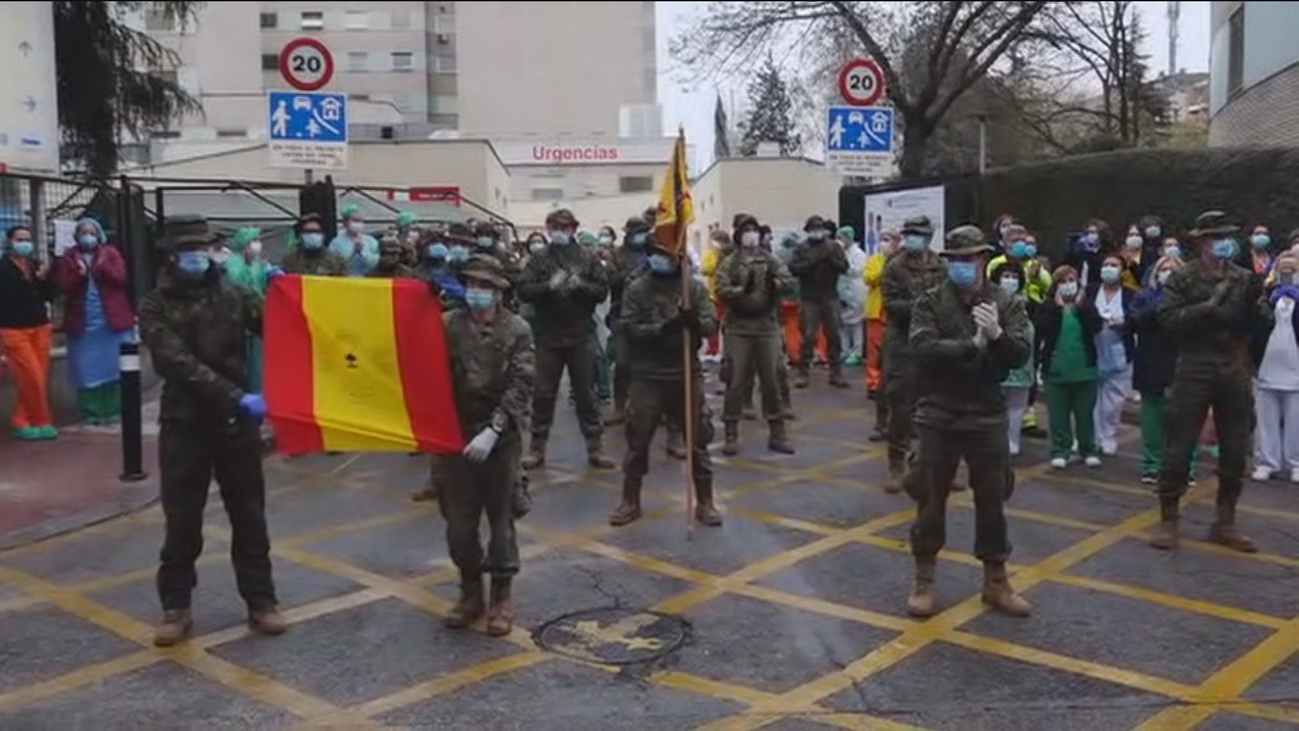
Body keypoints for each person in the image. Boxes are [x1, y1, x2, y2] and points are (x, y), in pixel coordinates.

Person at [138, 215, 283, 647]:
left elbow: (282, 328)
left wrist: (290, 296)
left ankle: (262, 602)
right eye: (188, 249)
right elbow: (175, 362)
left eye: (202, 247)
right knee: (182, 518)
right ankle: (176, 607)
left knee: (250, 516)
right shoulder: (154, 305)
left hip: (235, 425)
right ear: (171, 255)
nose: (197, 255)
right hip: (185, 423)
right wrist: (236, 396)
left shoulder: (236, 293)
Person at [905, 224, 1031, 618]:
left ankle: (996, 580)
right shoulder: (930, 301)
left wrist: (995, 335)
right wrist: (969, 346)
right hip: (939, 407)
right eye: (956, 259)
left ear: (982, 260)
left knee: (993, 497)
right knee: (929, 495)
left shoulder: (1004, 302)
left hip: (986, 409)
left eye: (970, 258)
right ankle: (924, 578)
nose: (963, 265)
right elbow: (922, 347)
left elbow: (1019, 353)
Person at [1153, 211, 1269, 552]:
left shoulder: (1244, 278)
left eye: (1226, 236)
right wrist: (1208, 306)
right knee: (1179, 443)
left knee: (1235, 445)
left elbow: (1262, 323)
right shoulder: (1183, 278)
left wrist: (1253, 300)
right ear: (1201, 241)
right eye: (1215, 236)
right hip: (1195, 361)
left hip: (1233, 362)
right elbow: (1169, 321)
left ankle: (1225, 520)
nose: (1222, 242)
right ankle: (1168, 519)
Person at [437, 255, 534, 636]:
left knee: (501, 522)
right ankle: (470, 593)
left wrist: (493, 430)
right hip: (454, 433)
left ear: (498, 291)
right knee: (459, 525)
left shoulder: (517, 329)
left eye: (484, 286)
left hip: (499, 435)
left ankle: (502, 597)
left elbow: (521, 384)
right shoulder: (448, 325)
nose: (476, 292)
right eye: (471, 284)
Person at [610, 242, 721, 527]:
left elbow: (711, 324)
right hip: (648, 374)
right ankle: (630, 500)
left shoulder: (692, 288)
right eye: (656, 253)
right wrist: (664, 328)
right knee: (638, 440)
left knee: (698, 441)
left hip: (685, 372)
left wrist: (693, 321)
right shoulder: (637, 288)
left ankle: (705, 501)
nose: (661, 259)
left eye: (667, 254)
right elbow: (629, 327)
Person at [517, 208, 614, 470]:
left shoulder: (587, 257)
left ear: (573, 229)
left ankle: (595, 447)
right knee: (543, 392)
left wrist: (579, 285)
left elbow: (602, 290)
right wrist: (548, 286)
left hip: (580, 333)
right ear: (548, 229)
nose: (559, 231)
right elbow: (523, 290)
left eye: (565, 227)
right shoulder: (539, 259)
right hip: (548, 335)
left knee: (585, 393)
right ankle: (537, 448)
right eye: (555, 227)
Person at [716, 215, 796, 455]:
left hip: (766, 326)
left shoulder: (770, 260)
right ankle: (731, 431)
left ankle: (778, 432)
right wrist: (742, 290)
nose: (751, 234)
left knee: (772, 378)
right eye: (746, 230)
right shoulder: (730, 262)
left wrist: (775, 285)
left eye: (754, 230)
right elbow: (721, 290)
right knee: (736, 380)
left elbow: (789, 281)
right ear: (739, 236)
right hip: (739, 327)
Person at [881, 215, 946, 492]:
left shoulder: (939, 265)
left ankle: (938, 464)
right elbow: (892, 304)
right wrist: (922, 307)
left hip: (934, 342)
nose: (912, 239)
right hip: (903, 343)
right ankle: (897, 463)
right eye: (909, 234)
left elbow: (950, 297)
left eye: (918, 234)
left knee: (939, 405)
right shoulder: (894, 266)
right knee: (902, 405)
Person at [56, 217, 135, 425]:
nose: (88, 238)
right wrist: (80, 275)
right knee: (86, 367)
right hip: (83, 322)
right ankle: (91, 412)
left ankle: (113, 409)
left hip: (110, 321)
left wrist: (103, 268)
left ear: (99, 235)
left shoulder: (110, 253)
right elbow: (64, 286)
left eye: (92, 233)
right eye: (84, 233)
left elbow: (121, 279)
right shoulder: (70, 257)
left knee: (113, 366)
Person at [1132, 255, 1198, 485]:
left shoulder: (1192, 298)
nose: (1167, 273)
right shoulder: (1144, 296)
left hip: (1183, 364)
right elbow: (1136, 322)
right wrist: (1158, 302)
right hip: (1151, 365)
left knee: (1185, 421)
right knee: (1152, 420)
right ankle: (1152, 465)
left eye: (1173, 270)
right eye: (1163, 269)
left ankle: (1185, 467)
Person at [1037, 265, 1102, 470]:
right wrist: (1056, 309)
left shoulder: (1086, 306)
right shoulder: (1048, 308)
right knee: (1058, 415)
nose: (1067, 285)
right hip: (1056, 371)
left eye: (1071, 280)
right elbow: (1042, 328)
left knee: (1085, 415)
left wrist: (1083, 307)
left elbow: (1096, 326)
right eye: (1063, 282)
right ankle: (1060, 450)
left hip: (1085, 370)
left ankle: (1088, 449)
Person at [0, 226, 56, 440]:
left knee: (37, 376)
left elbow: (49, 295)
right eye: (19, 239)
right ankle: (43, 419)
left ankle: (22, 419)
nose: (24, 243)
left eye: (27, 239)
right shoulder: (3, 268)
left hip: (40, 326)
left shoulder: (34, 266)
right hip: (14, 329)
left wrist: (44, 279)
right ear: (9, 242)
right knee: (31, 375)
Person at [1253, 252, 1299, 483]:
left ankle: (1296, 463)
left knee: (1295, 420)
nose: (1288, 272)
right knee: (1266, 418)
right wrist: (1269, 300)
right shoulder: (1268, 295)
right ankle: (1266, 462)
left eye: (1293, 269)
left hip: (1295, 367)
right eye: (1284, 268)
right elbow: (1257, 326)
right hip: (1268, 366)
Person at [789, 215, 850, 388]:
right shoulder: (802, 248)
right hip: (809, 297)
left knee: (834, 335)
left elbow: (845, 267)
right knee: (808, 335)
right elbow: (793, 268)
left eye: (819, 228)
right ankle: (803, 371)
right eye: (813, 229)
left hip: (830, 295)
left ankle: (836, 371)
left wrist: (830, 260)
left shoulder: (833, 247)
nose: (816, 232)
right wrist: (812, 262)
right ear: (807, 231)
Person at [604, 217, 651, 426]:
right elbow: (610, 279)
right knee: (622, 363)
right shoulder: (617, 254)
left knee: (652, 364)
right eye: (636, 232)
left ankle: (650, 408)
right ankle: (620, 407)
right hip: (621, 314)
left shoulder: (654, 252)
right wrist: (634, 274)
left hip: (651, 315)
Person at [1089, 253, 1134, 456]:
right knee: (1090, 399)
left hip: (1119, 353)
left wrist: (1124, 324)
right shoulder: (1090, 291)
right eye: (1106, 264)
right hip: (1092, 350)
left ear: (1122, 270)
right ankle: (1089, 437)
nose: (1109, 268)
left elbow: (1136, 320)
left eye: (1114, 265)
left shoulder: (1130, 295)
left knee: (1112, 404)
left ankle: (1108, 437)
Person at [223, 227, 272, 396]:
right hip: (236, 319)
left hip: (256, 317)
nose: (257, 245)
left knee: (257, 363)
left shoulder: (259, 264)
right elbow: (237, 287)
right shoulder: (233, 265)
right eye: (253, 241)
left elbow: (265, 285)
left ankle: (257, 394)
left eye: (258, 240)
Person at [991, 261, 1033, 456]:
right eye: (1006, 277)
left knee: (1016, 407)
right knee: (993, 406)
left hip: (1023, 364)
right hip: (995, 364)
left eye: (1015, 277)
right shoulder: (989, 302)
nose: (1010, 281)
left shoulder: (1028, 304)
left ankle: (1012, 440)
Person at [863, 229, 896, 441]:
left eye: (889, 240)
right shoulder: (876, 261)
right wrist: (888, 266)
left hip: (898, 319)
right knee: (876, 359)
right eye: (883, 240)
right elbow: (870, 278)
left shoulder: (905, 262)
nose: (885, 244)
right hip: (877, 316)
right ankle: (874, 386)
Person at [837, 225, 868, 366]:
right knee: (842, 324)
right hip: (842, 290)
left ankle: (857, 352)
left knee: (856, 325)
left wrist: (843, 266)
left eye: (842, 237)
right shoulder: (841, 252)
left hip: (856, 291)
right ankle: (844, 350)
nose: (840, 240)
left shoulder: (859, 254)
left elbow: (856, 271)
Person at [280, 213, 348, 276]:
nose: (312, 235)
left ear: (323, 235)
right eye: (307, 231)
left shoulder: (337, 262)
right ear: (300, 235)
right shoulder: (290, 261)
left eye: (316, 231)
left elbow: (345, 285)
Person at [329, 205, 380, 277]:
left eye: (360, 221)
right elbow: (334, 266)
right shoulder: (336, 243)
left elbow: (376, 264)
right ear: (345, 222)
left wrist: (362, 253)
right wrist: (353, 253)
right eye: (355, 220)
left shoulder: (371, 241)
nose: (358, 224)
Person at [1065, 219, 1113, 289]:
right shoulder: (1081, 253)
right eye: (1087, 233)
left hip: (1098, 287)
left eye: (1093, 233)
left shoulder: (1107, 253)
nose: (1090, 236)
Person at [1120, 225, 1151, 292]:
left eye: (1138, 235)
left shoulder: (1149, 256)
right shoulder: (1117, 256)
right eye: (1131, 235)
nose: (1134, 237)